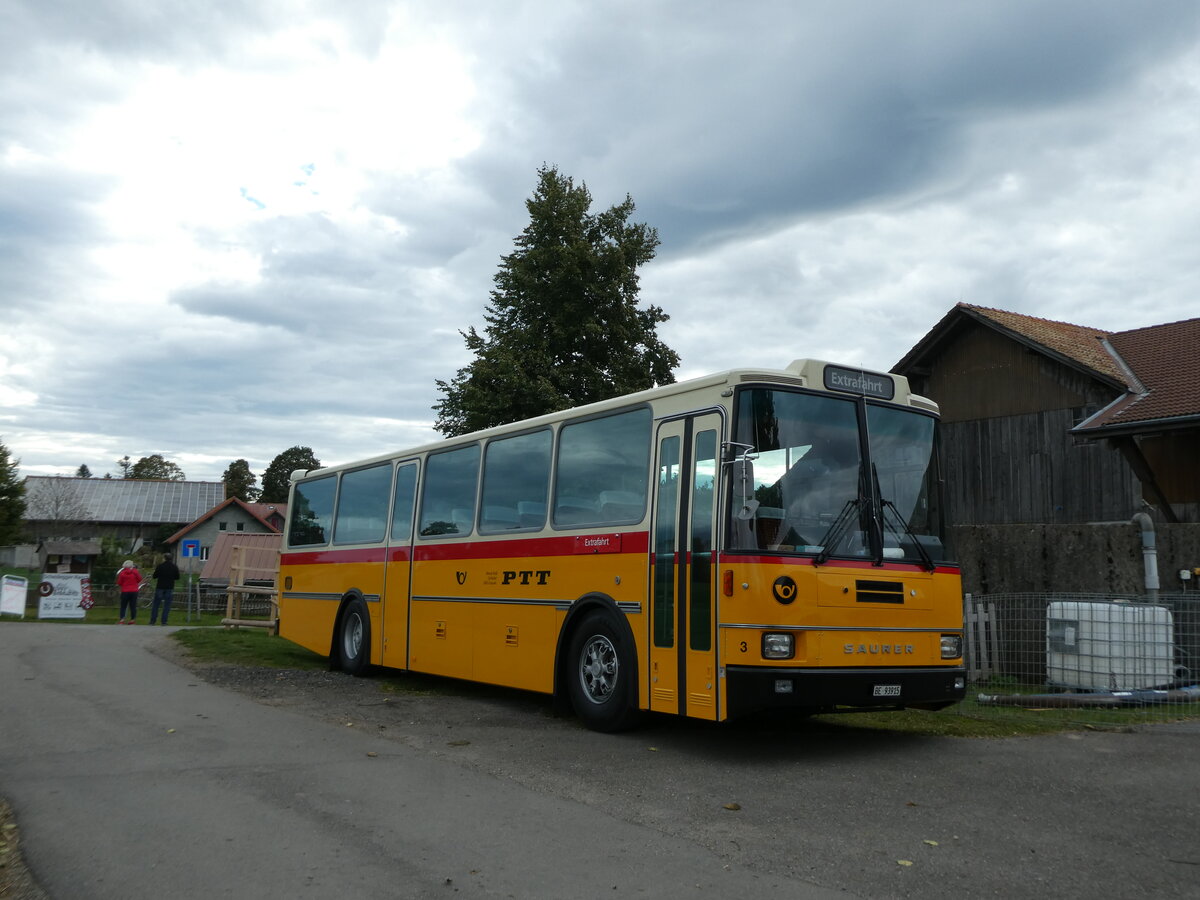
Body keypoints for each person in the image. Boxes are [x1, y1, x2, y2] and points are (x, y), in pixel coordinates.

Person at [150, 554, 181, 625]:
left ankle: (152, 621)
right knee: (167, 605)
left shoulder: (160, 566)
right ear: (171, 559)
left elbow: (154, 576)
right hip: (169, 587)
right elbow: (177, 577)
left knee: (156, 605)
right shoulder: (174, 567)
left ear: (164, 558)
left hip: (160, 587)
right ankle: (164, 622)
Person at [115, 560, 142, 624]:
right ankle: (132, 620)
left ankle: (122, 619)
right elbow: (140, 579)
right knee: (133, 606)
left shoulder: (122, 573)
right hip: (134, 591)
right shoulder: (135, 572)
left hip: (125, 591)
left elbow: (119, 582)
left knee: (123, 606)